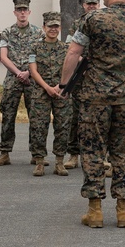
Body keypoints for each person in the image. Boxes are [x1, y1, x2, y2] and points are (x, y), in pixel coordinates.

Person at [61, 0, 125, 229]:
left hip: (95, 98)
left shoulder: (93, 19)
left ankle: (95, 210)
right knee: (124, 153)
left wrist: (64, 84)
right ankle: (123, 211)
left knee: (93, 152)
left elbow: (73, 53)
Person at [0, 0, 43, 167]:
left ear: (29, 12)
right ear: (14, 12)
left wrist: (29, 72)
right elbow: (3, 56)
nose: (22, 12)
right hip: (13, 79)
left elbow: (41, 56)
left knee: (36, 117)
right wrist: (18, 73)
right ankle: (5, 152)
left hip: (33, 79)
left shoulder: (39, 33)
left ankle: (37, 154)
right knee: (8, 116)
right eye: (19, 10)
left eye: (25, 10)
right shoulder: (7, 32)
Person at [27, 11, 72, 176]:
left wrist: (60, 85)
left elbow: (70, 68)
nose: (53, 29)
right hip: (41, 91)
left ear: (60, 28)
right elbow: (33, 70)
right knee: (39, 126)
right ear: (44, 27)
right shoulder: (35, 47)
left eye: (56, 26)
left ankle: (59, 162)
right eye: (50, 26)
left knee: (63, 126)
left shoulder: (66, 48)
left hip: (61, 92)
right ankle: (39, 161)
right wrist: (47, 87)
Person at [64, 0, 100, 170]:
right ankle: (73, 154)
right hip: (80, 75)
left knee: (101, 117)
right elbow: (69, 47)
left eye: (94, 3)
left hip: (99, 77)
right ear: (84, 5)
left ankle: (100, 155)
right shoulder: (77, 24)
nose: (92, 6)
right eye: (89, 4)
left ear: (99, 4)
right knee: (76, 116)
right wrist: (81, 61)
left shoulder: (104, 21)